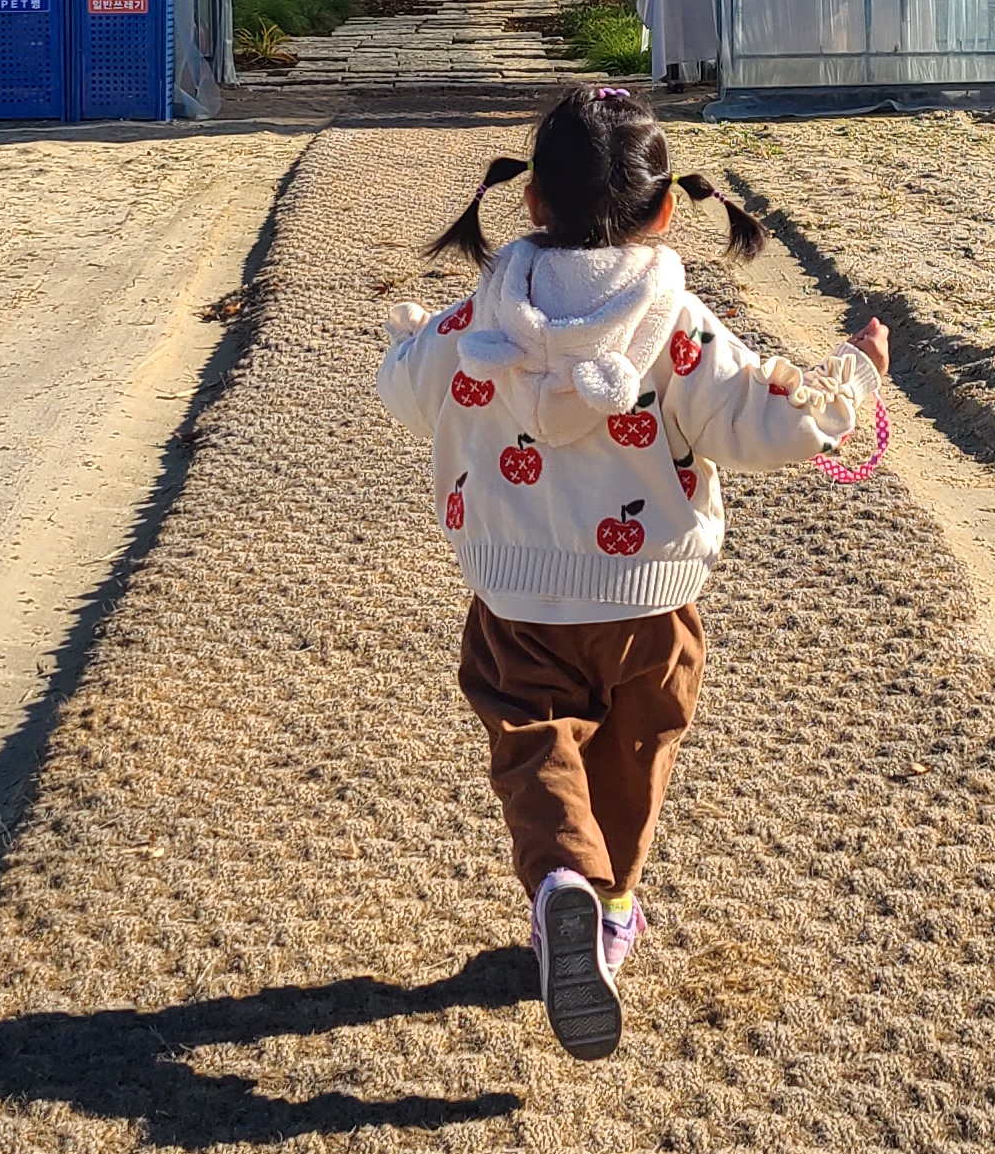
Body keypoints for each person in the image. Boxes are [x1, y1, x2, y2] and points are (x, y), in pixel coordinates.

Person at [377, 86, 886, 1060]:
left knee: (534, 745)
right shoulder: (680, 325)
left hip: (518, 595)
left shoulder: (483, 315)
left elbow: (405, 390)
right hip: (652, 600)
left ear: (530, 203)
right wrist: (852, 376)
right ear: (664, 211)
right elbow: (765, 421)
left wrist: (413, 346)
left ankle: (563, 883)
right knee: (635, 756)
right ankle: (607, 905)